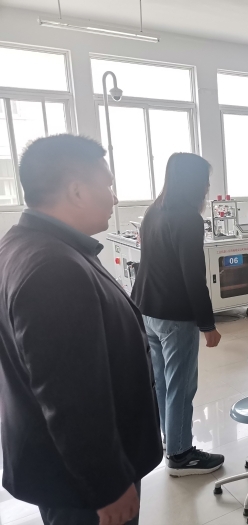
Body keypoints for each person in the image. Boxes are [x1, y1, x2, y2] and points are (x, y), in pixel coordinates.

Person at [0, 134, 162, 524]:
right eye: (107, 185)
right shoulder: (53, 269)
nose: (114, 198)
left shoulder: (22, 245)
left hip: (64, 470)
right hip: (82, 486)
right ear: (76, 191)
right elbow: (70, 397)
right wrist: (107, 486)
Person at [131, 153, 225, 477]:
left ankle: (170, 440)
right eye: (205, 181)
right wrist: (208, 324)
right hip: (174, 315)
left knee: (162, 383)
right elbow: (192, 276)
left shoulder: (153, 211)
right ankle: (181, 455)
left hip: (148, 310)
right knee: (181, 387)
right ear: (193, 182)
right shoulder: (188, 219)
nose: (207, 187)